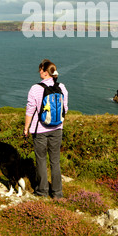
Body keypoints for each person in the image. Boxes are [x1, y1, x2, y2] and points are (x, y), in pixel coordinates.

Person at [24, 59, 68, 199]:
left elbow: (30, 110)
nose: (39, 71)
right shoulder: (62, 87)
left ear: (44, 72)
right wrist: (58, 123)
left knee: (41, 161)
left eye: (40, 69)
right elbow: (65, 109)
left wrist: (26, 128)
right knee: (55, 161)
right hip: (57, 129)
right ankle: (57, 193)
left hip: (40, 131)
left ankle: (42, 191)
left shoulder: (35, 88)